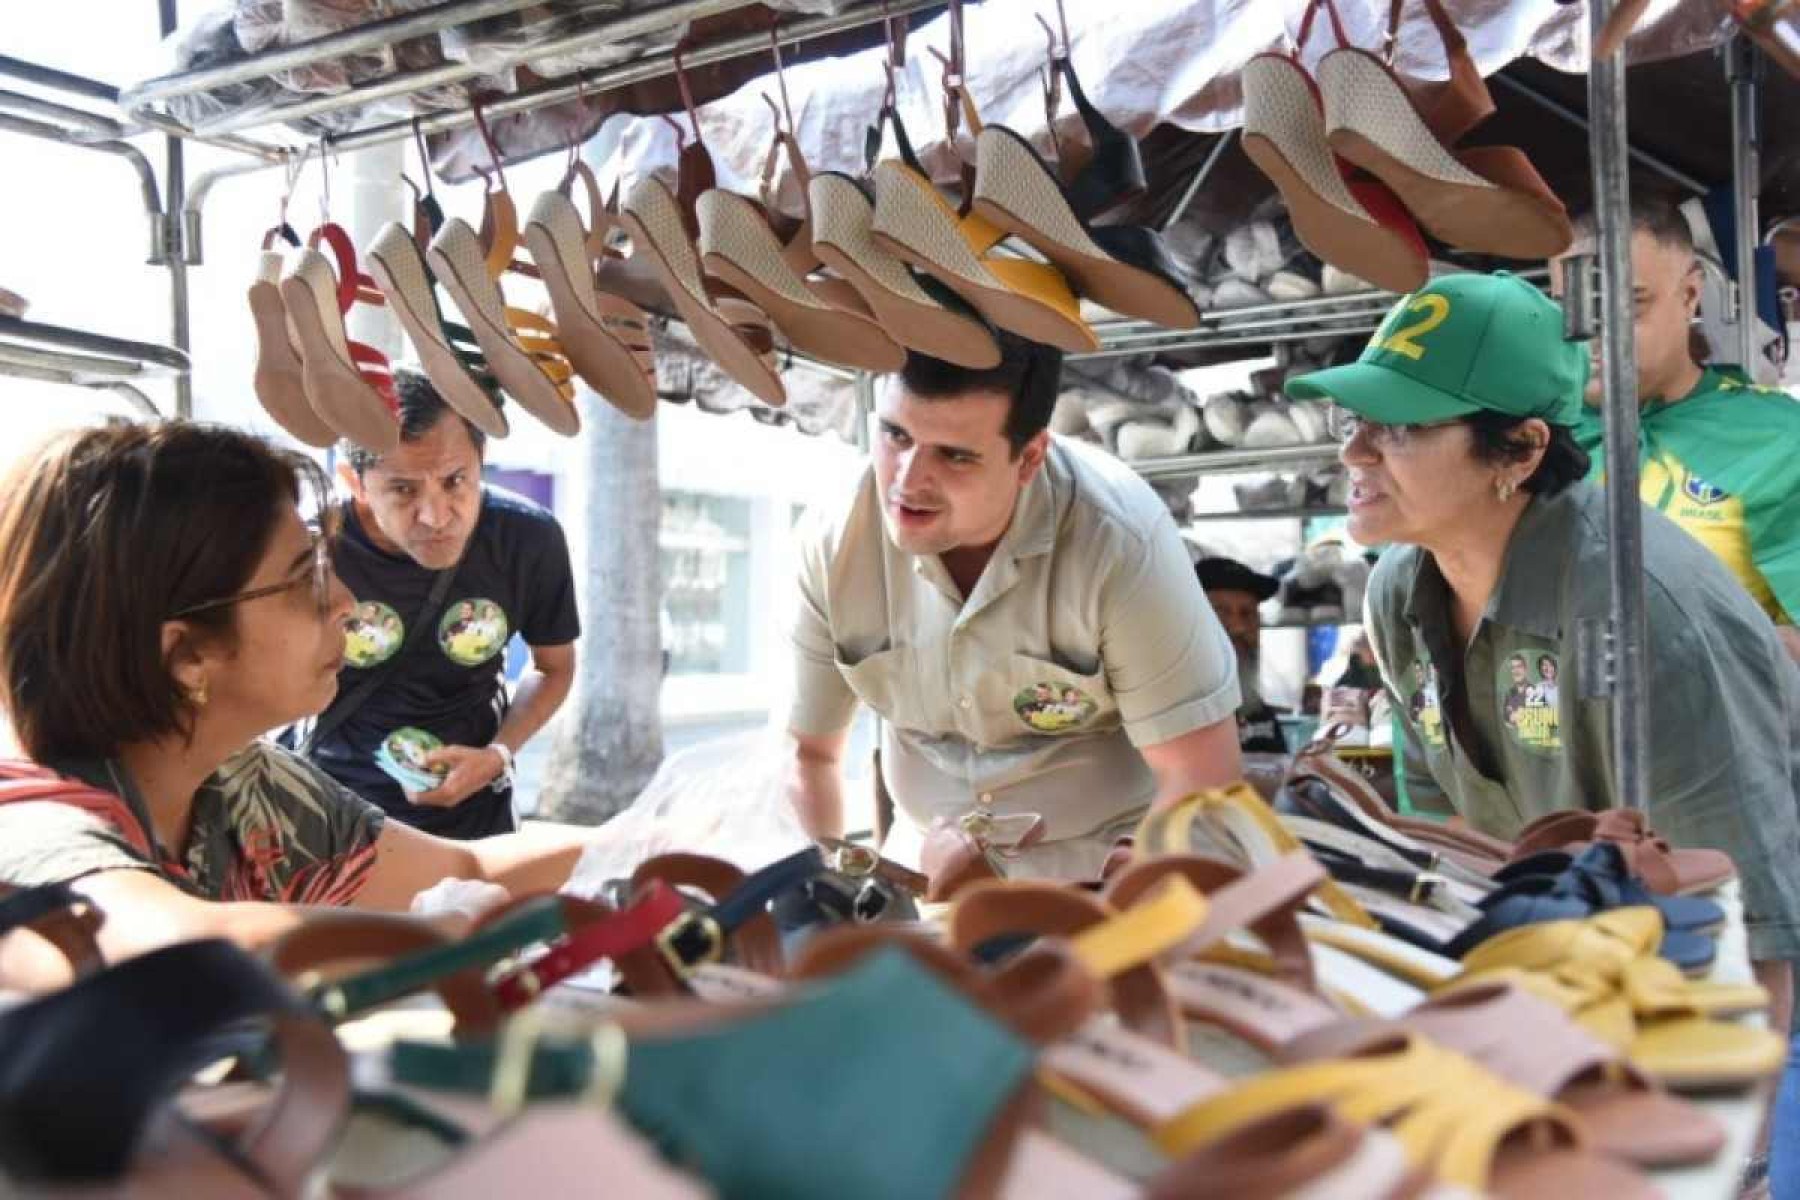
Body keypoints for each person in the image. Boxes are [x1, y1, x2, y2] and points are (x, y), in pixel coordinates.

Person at [1287, 269, 1800, 1039]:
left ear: (1520, 451)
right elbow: (1445, 838)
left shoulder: (1652, 616)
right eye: (1352, 419)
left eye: (1399, 427)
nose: (1355, 452)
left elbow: (1747, 934)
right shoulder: (1400, 589)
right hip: (1566, 988)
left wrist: (1725, 1146)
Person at [0, 422, 593, 991]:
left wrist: (651, 839)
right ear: (186, 656)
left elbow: (466, 874)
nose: (346, 602)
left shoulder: (240, 783)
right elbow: (177, 959)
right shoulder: (30, 820)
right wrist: (453, 934)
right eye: (305, 577)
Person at [785, 333, 1243, 881]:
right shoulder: (833, 537)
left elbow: (1200, 774)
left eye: (954, 456)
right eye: (895, 435)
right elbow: (810, 756)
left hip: (1109, 874)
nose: (907, 481)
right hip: (925, 873)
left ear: (1028, 458)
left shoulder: (1118, 540)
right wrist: (829, 891)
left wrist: (1138, 910)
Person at [294, 371, 579, 839]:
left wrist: (498, 756)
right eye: (403, 490)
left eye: (455, 480)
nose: (437, 516)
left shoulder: (528, 540)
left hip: (475, 814)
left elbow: (554, 667)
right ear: (355, 483)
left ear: (481, 460)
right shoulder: (315, 547)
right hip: (331, 809)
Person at [1552, 194, 1800, 662]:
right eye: (1576, 309)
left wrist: (1686, 646)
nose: (1598, 336)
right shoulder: (1539, 438)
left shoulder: (1776, 439)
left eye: (1630, 306)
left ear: (1690, 295)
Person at [1195, 556, 1287, 754]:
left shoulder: (1256, 710)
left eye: (1247, 613)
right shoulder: (1170, 707)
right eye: (1221, 613)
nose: (1239, 627)